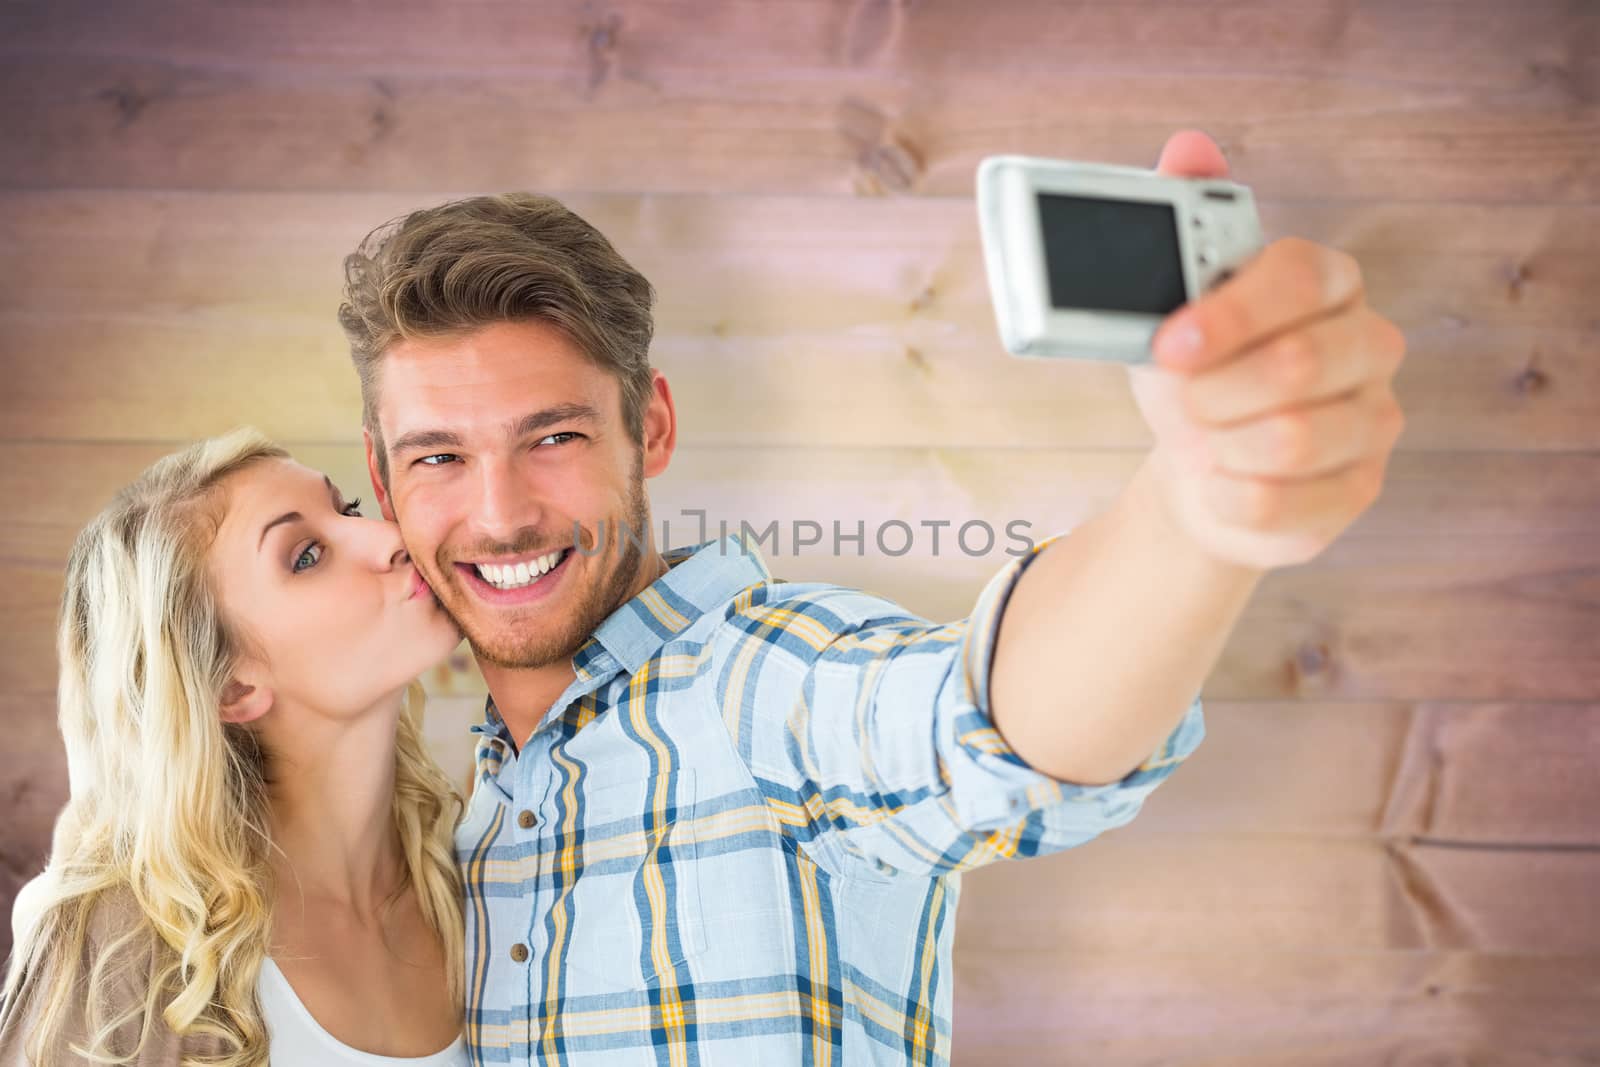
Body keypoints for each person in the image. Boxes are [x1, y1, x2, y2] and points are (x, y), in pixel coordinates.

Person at [334, 128, 1405, 1064]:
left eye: (553, 437)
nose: (501, 513)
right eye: (437, 458)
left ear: (649, 427)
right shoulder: (454, 817)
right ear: (383, 484)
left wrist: (1198, 507)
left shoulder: (763, 679)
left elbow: (988, 724)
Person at [0, 429, 470, 1066]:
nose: (391, 538)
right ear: (233, 686)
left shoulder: (476, 875)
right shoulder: (117, 950)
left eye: (348, 509)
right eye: (306, 556)